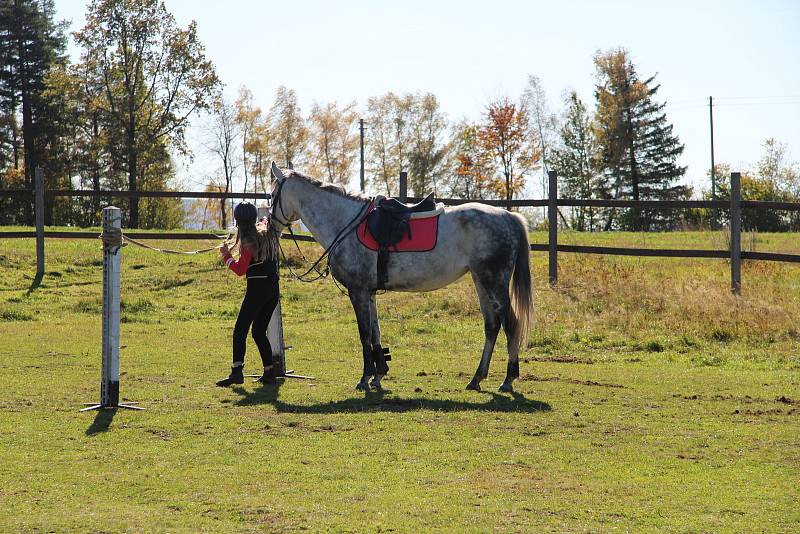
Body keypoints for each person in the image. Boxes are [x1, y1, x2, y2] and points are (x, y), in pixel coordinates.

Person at [216, 202, 281, 387]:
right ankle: (269, 372)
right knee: (259, 331)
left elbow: (240, 270)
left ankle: (237, 372)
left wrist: (226, 255)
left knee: (240, 331)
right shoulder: (266, 233)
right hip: (272, 289)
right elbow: (266, 221)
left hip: (257, 290)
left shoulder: (248, 242)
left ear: (238, 221)